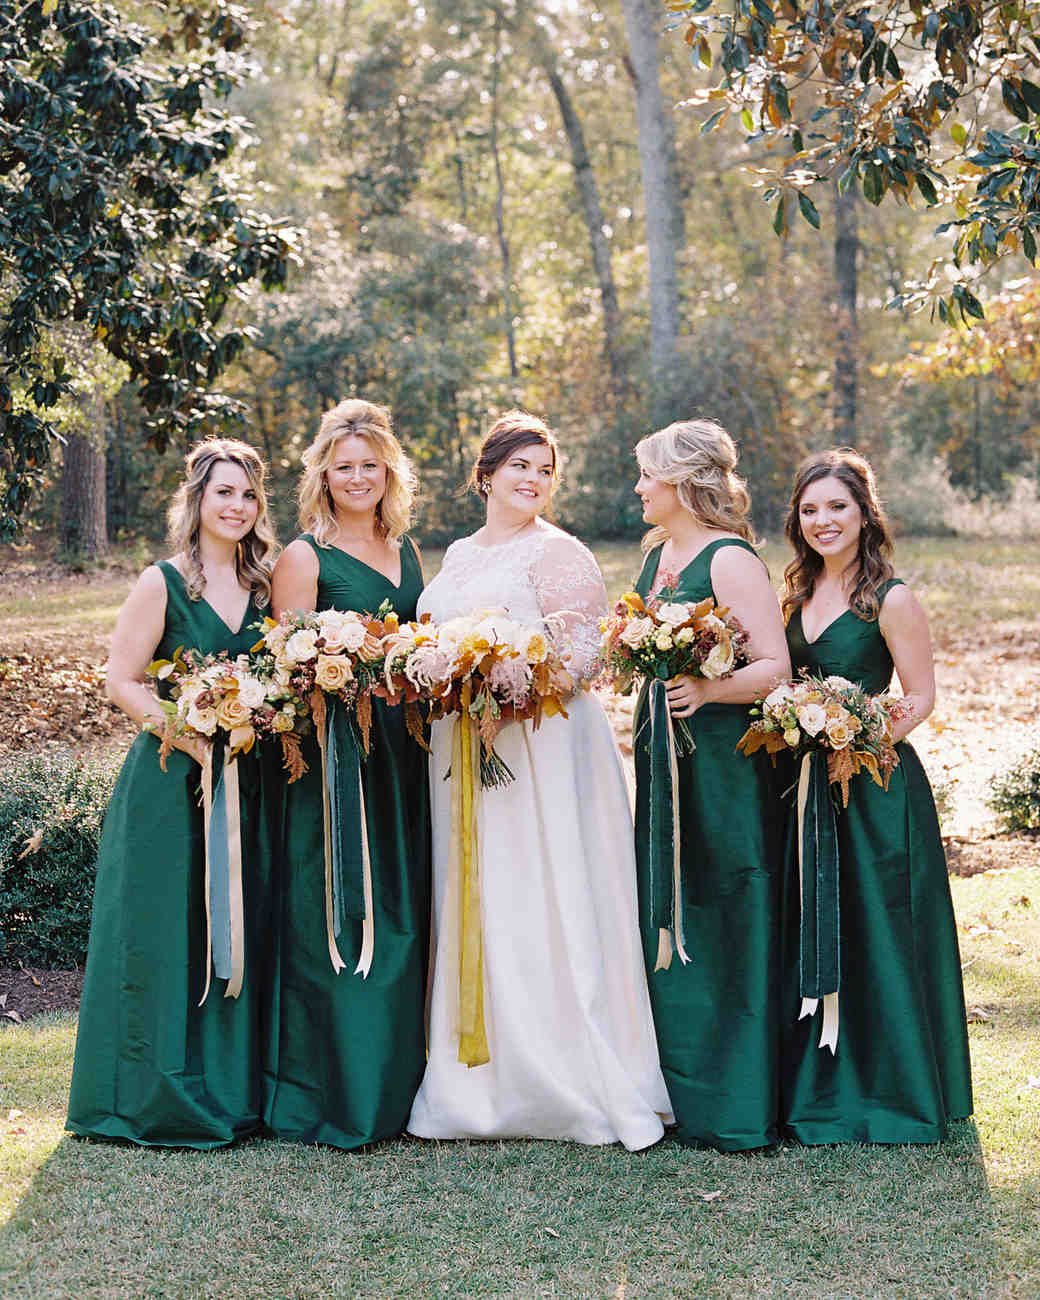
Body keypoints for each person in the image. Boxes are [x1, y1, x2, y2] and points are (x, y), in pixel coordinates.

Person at [407, 410, 670, 1151]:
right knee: (479, 893)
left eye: (545, 469)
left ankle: (565, 1073)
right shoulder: (458, 553)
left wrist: (509, 680)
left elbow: (584, 660)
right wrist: (449, 676)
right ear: (485, 473)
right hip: (464, 745)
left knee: (540, 890)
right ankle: (477, 1078)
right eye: (520, 465)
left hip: (543, 749)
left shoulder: (560, 554)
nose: (533, 480)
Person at [67, 439, 279, 1147]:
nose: (238, 506)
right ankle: (155, 1093)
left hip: (250, 783)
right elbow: (122, 681)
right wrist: (189, 735)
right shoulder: (162, 582)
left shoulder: (266, 585)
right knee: (169, 932)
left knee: (239, 928)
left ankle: (235, 1089)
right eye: (224, 492)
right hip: (169, 783)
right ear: (197, 500)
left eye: (249, 494)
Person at [778, 447, 973, 1143]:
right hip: (806, 785)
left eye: (838, 507)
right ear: (797, 520)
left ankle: (898, 1087)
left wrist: (857, 730)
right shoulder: (795, 595)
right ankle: (822, 1081)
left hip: (878, 786)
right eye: (810, 510)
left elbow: (919, 697)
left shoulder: (891, 599)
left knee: (880, 927)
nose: (824, 521)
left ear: (865, 514)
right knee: (820, 923)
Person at [266, 397, 430, 1149]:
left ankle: (400, 1089)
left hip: (407, 752)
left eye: (370, 465)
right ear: (324, 475)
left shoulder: (407, 551)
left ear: (388, 471)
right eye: (344, 466)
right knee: (344, 910)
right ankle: (340, 1093)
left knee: (405, 909)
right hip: (337, 757)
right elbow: (286, 665)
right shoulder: (305, 556)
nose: (357, 477)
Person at [631, 418, 790, 1150]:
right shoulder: (659, 555)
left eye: (647, 477)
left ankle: (737, 1093)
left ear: (682, 482)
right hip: (661, 750)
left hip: (720, 757)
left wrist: (707, 689)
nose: (637, 489)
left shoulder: (731, 560)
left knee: (724, 896)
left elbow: (773, 669)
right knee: (667, 895)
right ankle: (675, 1083)